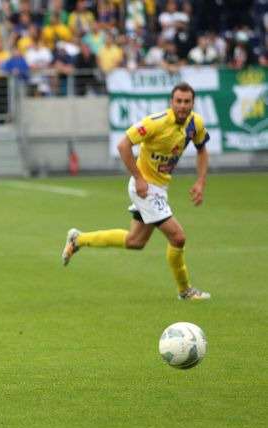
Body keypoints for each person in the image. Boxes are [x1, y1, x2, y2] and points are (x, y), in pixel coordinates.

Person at [61, 82, 211, 301]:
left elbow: (202, 149)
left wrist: (201, 182)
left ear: (192, 103)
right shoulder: (156, 123)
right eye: (178, 101)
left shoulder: (195, 123)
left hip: (160, 187)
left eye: (186, 101)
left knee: (135, 242)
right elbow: (123, 145)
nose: (182, 105)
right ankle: (185, 290)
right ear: (171, 102)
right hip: (145, 188)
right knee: (178, 237)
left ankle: (78, 239)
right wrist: (139, 178)